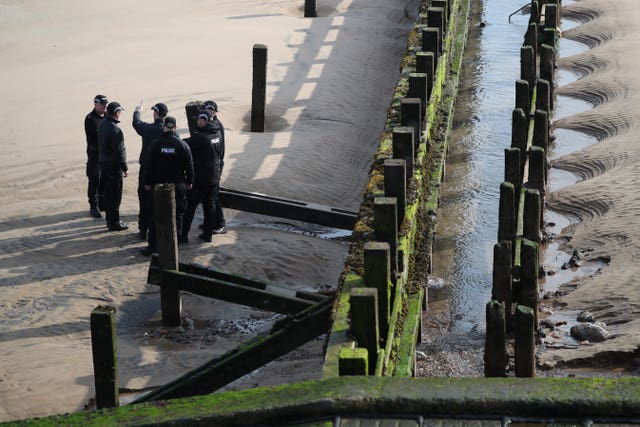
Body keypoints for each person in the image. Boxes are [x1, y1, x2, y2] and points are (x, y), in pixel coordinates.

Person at [140, 116, 194, 256]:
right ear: (175, 128)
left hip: (159, 185)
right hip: (177, 184)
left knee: (155, 216)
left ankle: (153, 245)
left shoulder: (156, 144)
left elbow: (148, 166)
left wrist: (146, 182)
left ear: (164, 127)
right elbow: (189, 165)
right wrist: (189, 181)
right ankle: (174, 244)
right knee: (177, 215)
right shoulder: (182, 145)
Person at [181, 110, 224, 243]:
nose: (197, 121)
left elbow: (183, 144)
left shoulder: (201, 137)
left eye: (199, 119)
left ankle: (183, 235)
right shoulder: (218, 133)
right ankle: (208, 234)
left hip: (201, 177)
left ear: (204, 120)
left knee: (190, 206)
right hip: (214, 175)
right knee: (209, 205)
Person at [132, 101, 167, 240]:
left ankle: (143, 230)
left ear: (156, 113)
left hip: (146, 171)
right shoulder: (168, 131)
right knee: (160, 201)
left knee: (144, 199)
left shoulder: (149, 129)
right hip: (162, 172)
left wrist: (137, 110)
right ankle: (158, 231)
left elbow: (136, 123)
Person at [98, 101, 129, 231]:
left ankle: (109, 221)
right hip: (113, 166)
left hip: (104, 163)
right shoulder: (115, 129)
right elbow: (119, 152)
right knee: (115, 196)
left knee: (108, 194)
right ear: (116, 113)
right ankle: (114, 223)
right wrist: (125, 167)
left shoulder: (102, 123)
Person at [201, 100, 226, 234]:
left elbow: (218, 149)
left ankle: (219, 224)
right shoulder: (210, 124)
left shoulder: (215, 125)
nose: (205, 112)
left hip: (216, 164)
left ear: (213, 111)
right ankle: (209, 222)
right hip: (213, 164)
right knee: (208, 196)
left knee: (214, 195)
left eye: (208, 110)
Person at [84, 94, 108, 218]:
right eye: (102, 104)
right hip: (95, 155)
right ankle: (93, 206)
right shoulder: (90, 119)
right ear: (95, 104)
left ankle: (102, 203)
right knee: (95, 179)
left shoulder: (106, 117)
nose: (104, 106)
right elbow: (97, 138)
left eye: (106, 104)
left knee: (104, 179)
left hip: (105, 155)